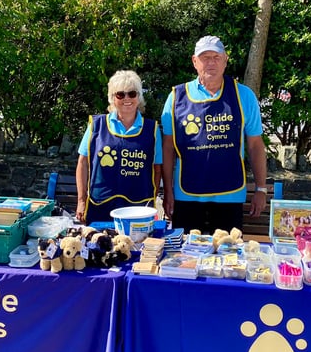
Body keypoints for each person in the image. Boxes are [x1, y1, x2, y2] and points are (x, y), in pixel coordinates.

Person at [161, 35, 267, 233]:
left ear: (225, 60)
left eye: (216, 57)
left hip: (230, 195)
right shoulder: (176, 97)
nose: (211, 62)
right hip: (187, 196)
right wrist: (168, 191)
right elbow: (167, 149)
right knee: (185, 260)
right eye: (205, 57)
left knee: (228, 259)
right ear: (195, 61)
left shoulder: (244, 96)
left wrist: (261, 189)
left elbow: (255, 145)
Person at [76, 70, 163, 224]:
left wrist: (152, 201)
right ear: (112, 98)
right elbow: (82, 163)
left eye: (132, 93)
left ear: (139, 97)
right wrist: (82, 201)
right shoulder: (97, 125)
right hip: (100, 205)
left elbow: (157, 169)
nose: (127, 99)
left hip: (138, 209)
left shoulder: (152, 129)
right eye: (120, 95)